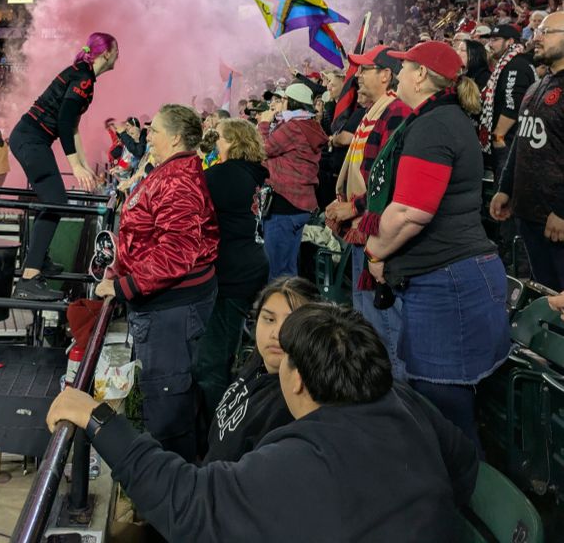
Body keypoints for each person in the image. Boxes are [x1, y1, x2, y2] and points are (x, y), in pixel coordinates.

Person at [47, 302, 478, 543]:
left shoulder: (305, 459)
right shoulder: (403, 400)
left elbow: (189, 502)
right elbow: (463, 465)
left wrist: (97, 419)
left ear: (298, 379)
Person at [363, 41, 510, 444]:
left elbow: (411, 211)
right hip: (453, 278)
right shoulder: (439, 119)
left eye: (405, 67)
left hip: (449, 284)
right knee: (444, 411)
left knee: (443, 414)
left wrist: (375, 251)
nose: (397, 74)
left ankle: (459, 484)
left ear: (422, 76)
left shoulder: (434, 125)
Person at [94, 104, 219, 461]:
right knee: (172, 396)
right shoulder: (172, 170)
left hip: (171, 309)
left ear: (176, 138)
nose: (149, 136)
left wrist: (123, 287)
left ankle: (172, 484)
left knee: (168, 403)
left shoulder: (177, 179)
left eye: (157, 131)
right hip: (169, 305)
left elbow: (176, 252)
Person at [9, 32, 119, 301]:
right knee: (56, 200)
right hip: (30, 139)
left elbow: (74, 126)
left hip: (32, 140)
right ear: (106, 53)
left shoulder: (84, 76)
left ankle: (38, 259)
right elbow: (64, 122)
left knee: (53, 200)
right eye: (116, 50)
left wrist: (83, 165)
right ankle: (29, 278)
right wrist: (75, 166)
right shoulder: (83, 78)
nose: (118, 56)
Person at [324, 45, 411, 377]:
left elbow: (388, 179)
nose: (357, 77)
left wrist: (355, 206)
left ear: (386, 74)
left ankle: (396, 392)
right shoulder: (375, 111)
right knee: (368, 317)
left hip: (379, 233)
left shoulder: (396, 112)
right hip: (364, 229)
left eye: (365, 70)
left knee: (385, 323)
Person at [194, 119, 270, 419]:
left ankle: (217, 428)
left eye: (221, 139)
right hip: (250, 263)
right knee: (224, 349)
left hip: (233, 273)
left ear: (234, 142)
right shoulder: (251, 173)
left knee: (212, 362)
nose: (216, 144)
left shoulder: (225, 175)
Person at [203, 276, 318, 462]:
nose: (276, 334)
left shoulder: (293, 405)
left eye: (291, 323)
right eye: (269, 319)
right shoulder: (258, 361)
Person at [490, 11, 564, 289]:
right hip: (530, 217)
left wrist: (562, 211)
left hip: (556, 221)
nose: (536, 38)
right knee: (545, 298)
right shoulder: (536, 86)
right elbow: (521, 142)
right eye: (536, 31)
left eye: (546, 32)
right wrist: (505, 188)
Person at [257, 82, 328, 279]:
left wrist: (264, 124)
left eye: (283, 99)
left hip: (284, 204)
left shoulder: (293, 127)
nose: (280, 103)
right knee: (289, 268)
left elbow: (263, 148)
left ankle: (281, 300)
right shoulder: (309, 124)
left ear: (292, 102)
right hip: (301, 203)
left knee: (277, 271)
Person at [480, 24, 535, 181]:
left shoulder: (515, 66)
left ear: (510, 41)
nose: (490, 44)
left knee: (504, 188)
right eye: (490, 40)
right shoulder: (513, 62)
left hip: (509, 142)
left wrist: (498, 136)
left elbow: (512, 104)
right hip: (513, 140)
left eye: (495, 40)